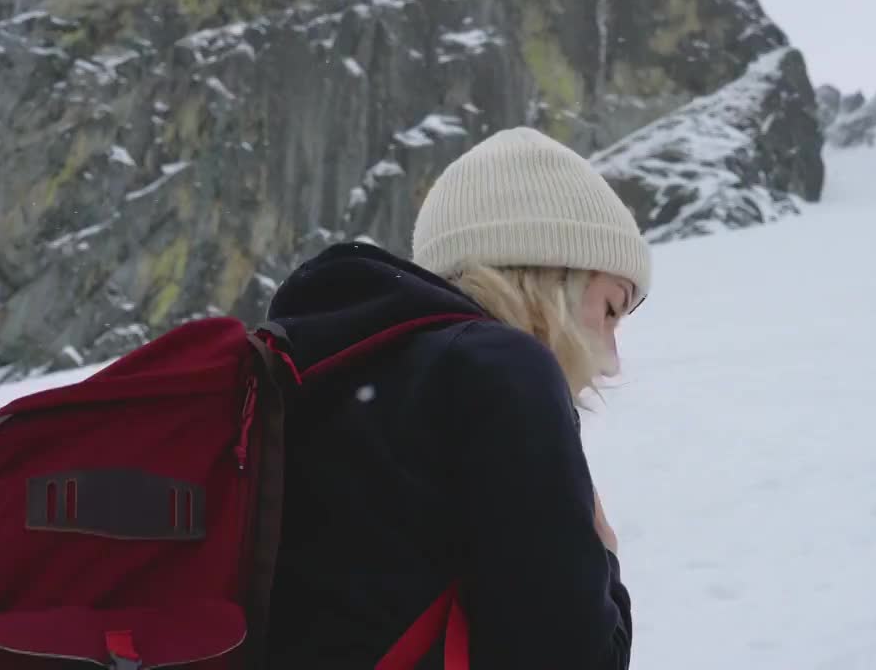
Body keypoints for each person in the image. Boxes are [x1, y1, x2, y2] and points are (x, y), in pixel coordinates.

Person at [263, 127, 651, 668]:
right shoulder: (504, 370)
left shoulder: (319, 369)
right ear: (551, 277)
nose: (610, 359)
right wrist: (603, 554)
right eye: (610, 309)